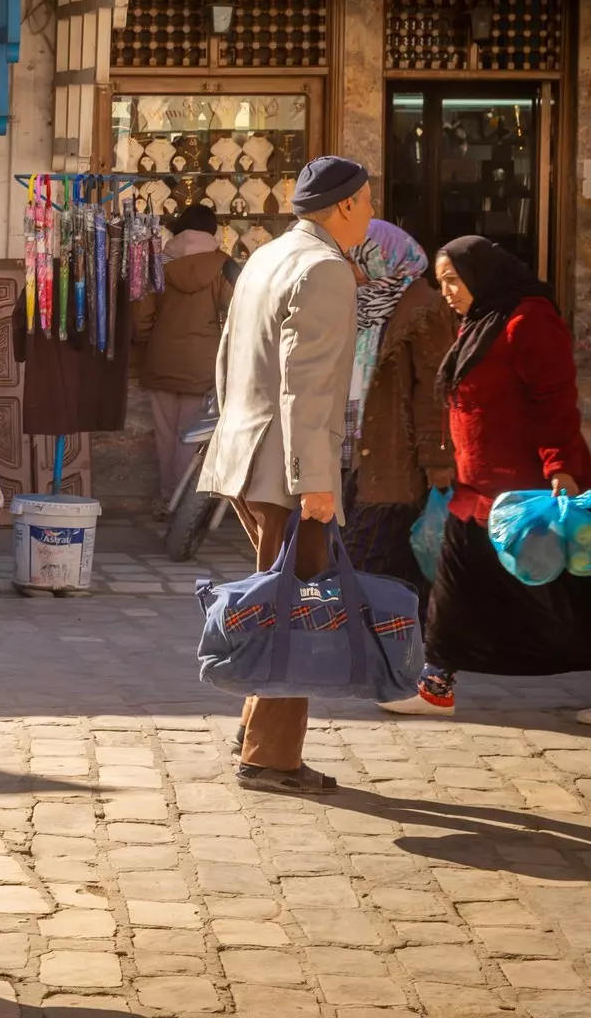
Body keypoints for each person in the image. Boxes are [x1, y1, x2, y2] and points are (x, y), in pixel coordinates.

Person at [380, 237, 591, 726]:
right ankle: (435, 687)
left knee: (570, 589)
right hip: (478, 490)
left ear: (482, 275)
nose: (446, 291)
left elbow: (554, 399)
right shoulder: (482, 321)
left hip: (534, 492)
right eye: (440, 281)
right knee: (454, 587)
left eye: (453, 280)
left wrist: (559, 468)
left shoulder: (528, 320)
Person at [198, 156, 373, 794]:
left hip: (247, 454)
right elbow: (306, 387)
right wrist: (313, 480)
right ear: (347, 205)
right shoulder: (324, 267)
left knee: (282, 597)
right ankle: (269, 756)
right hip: (286, 469)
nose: (373, 213)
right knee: (295, 607)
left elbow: (226, 356)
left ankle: (255, 733)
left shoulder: (267, 256)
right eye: (370, 201)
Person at [340, 220, 456, 591]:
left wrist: (438, 463)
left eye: (357, 259)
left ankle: (372, 645)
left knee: (363, 567)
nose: (350, 269)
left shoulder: (423, 309)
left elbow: (435, 392)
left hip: (395, 459)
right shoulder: (362, 305)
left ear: (381, 258)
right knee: (393, 575)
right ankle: (400, 644)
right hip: (356, 456)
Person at [135, 203, 233, 508]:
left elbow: (140, 318)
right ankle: (179, 505)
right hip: (204, 364)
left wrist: (150, 344)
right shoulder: (224, 266)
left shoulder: (158, 264)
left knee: (165, 436)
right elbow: (235, 314)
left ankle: (167, 498)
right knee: (190, 435)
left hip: (161, 359)